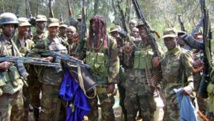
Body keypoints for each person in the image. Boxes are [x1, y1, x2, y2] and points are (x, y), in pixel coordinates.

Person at [27, 18, 67, 121]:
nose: (54, 29)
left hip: (62, 80)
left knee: (62, 107)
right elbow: (30, 57)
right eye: (51, 27)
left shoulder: (62, 41)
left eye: (55, 27)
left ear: (58, 28)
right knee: (47, 108)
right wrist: (44, 59)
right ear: (48, 28)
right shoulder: (43, 42)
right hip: (49, 81)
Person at [123, 22, 163, 121]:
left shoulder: (155, 46)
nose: (141, 31)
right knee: (130, 113)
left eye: (144, 29)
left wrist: (158, 59)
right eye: (140, 29)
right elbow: (128, 63)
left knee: (147, 114)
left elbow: (162, 66)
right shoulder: (136, 45)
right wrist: (127, 52)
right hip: (132, 85)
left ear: (150, 31)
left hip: (147, 85)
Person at [159, 28, 202, 120]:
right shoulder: (164, 56)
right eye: (166, 39)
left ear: (176, 39)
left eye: (171, 39)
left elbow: (191, 74)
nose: (168, 41)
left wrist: (190, 86)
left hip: (179, 97)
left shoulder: (184, 54)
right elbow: (163, 77)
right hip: (167, 98)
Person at [82, 15, 119, 121]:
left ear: (103, 25)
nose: (94, 26)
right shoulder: (87, 41)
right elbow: (80, 57)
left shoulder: (111, 41)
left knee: (107, 111)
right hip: (89, 82)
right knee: (91, 110)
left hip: (104, 82)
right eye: (92, 23)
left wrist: (112, 82)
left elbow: (114, 62)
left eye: (97, 23)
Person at [0, 12, 25, 121]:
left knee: (18, 113)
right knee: (4, 117)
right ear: (2, 27)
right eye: (8, 26)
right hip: (5, 89)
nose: (11, 29)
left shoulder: (12, 42)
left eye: (13, 26)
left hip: (17, 85)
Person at [27, 14, 48, 121]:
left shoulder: (50, 37)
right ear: (36, 24)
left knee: (46, 99)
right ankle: (36, 117)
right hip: (34, 73)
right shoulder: (31, 37)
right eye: (39, 22)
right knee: (34, 98)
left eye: (43, 22)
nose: (42, 24)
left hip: (46, 73)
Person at [13, 17, 35, 120]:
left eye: (27, 27)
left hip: (28, 74)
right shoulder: (12, 41)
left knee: (27, 99)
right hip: (15, 77)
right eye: (23, 27)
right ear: (18, 27)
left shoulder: (30, 42)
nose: (26, 29)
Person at [109, 25, 127, 121]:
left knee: (127, 100)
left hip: (126, 78)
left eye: (117, 33)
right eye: (113, 33)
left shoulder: (126, 44)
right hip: (114, 76)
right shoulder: (109, 45)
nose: (115, 35)